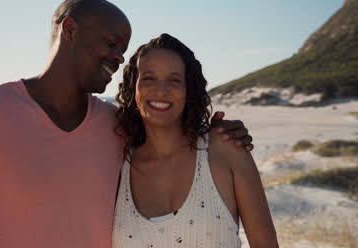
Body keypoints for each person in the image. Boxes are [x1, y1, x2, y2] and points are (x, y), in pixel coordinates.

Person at [0, 0, 254, 248]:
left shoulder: (117, 125)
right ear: (70, 29)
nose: (119, 57)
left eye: (123, 50)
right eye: (111, 43)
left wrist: (217, 133)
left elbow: (170, 136)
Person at [112, 33, 278, 247]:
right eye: (149, 78)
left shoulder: (226, 149)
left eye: (174, 80)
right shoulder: (117, 164)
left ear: (188, 90)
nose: (161, 90)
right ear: (133, 87)